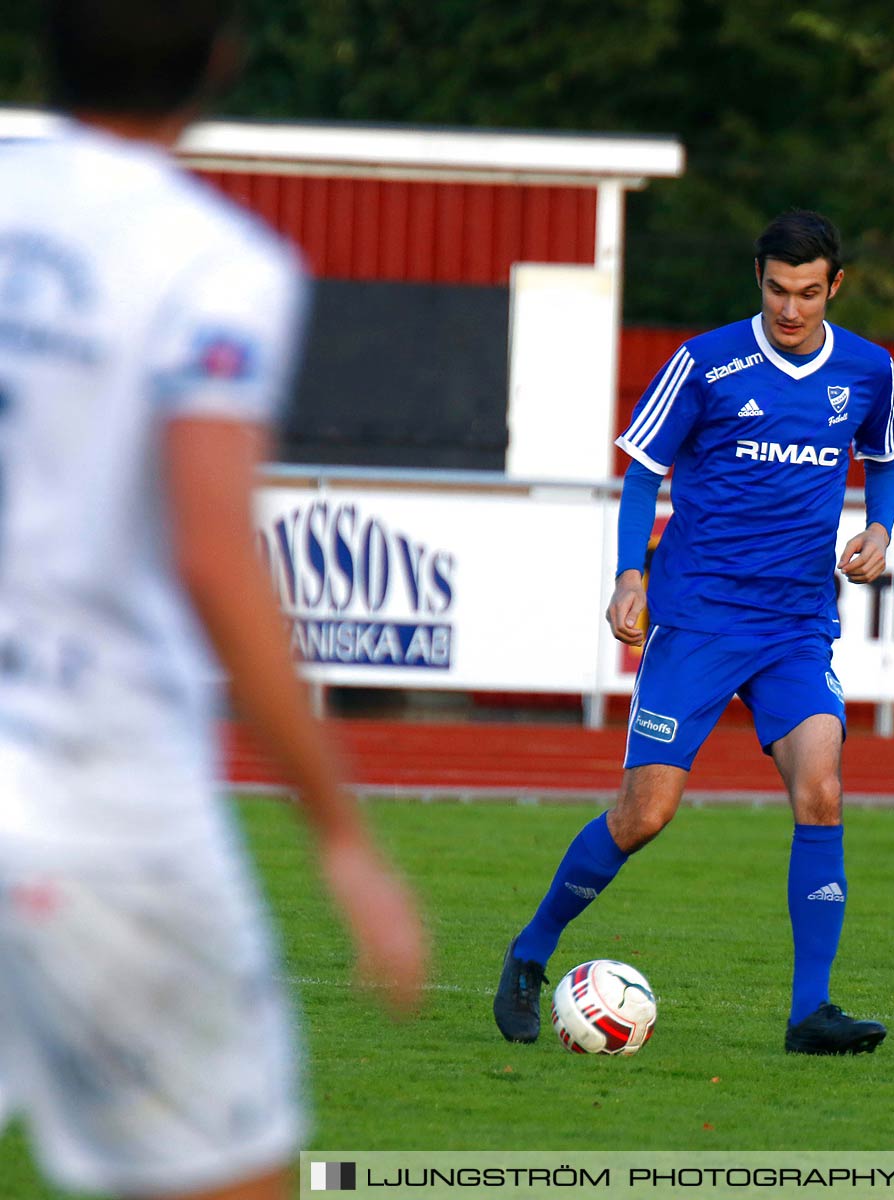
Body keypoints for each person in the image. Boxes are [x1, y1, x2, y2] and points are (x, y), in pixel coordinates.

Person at [0, 3, 428, 1198]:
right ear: (221, 63)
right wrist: (343, 837)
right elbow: (212, 550)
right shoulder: (214, 264)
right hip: (102, 803)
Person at [494, 210, 894, 1055]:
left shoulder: (867, 370)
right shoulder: (707, 362)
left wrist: (881, 530)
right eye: (777, 290)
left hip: (796, 625)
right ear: (758, 277)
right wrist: (630, 574)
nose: (791, 309)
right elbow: (644, 472)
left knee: (821, 791)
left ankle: (809, 1014)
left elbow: (885, 461)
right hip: (699, 620)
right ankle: (531, 952)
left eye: (808, 293)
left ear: (835, 287)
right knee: (646, 814)